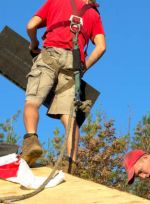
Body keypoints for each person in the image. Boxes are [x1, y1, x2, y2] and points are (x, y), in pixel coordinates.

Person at [22, 0, 106, 167]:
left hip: (50, 55)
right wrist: (84, 67)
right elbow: (101, 47)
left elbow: (31, 25)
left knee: (32, 101)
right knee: (69, 116)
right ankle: (71, 163)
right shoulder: (94, 14)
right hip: (72, 64)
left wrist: (34, 42)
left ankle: (31, 140)